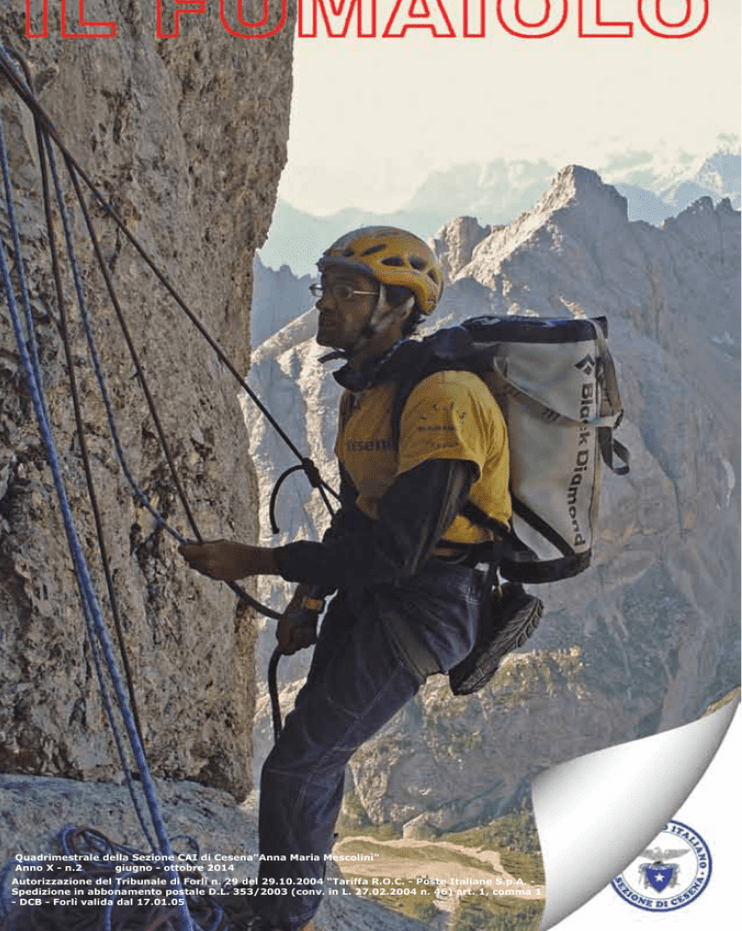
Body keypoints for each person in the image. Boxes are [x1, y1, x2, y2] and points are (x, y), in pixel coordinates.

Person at [180, 226, 536, 931]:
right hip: (380, 593)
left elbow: (398, 549)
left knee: (298, 763)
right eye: (327, 287)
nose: (326, 303)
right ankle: (287, 907)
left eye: (349, 291)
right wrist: (308, 598)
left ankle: (281, 918)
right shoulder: (367, 392)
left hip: (432, 603)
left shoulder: (445, 398)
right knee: (315, 754)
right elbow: (356, 518)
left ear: (400, 305)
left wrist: (254, 561)